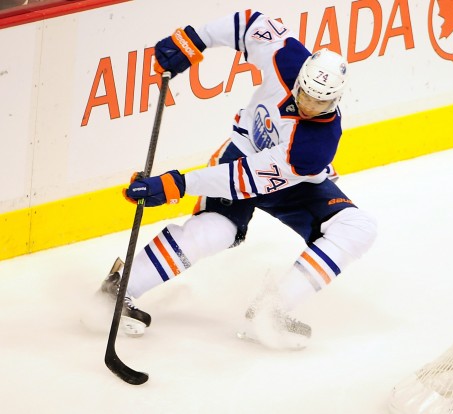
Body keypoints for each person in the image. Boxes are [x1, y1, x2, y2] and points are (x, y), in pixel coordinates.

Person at [101, 9, 377, 349]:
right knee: (216, 230)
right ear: (301, 77)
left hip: (293, 182)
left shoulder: (314, 146)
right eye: (304, 94)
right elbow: (249, 23)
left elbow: (242, 180)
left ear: (336, 99)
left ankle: (271, 310)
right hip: (242, 153)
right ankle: (120, 288)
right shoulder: (288, 58)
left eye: (320, 103)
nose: (307, 106)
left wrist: (176, 184)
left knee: (358, 228)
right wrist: (192, 40)